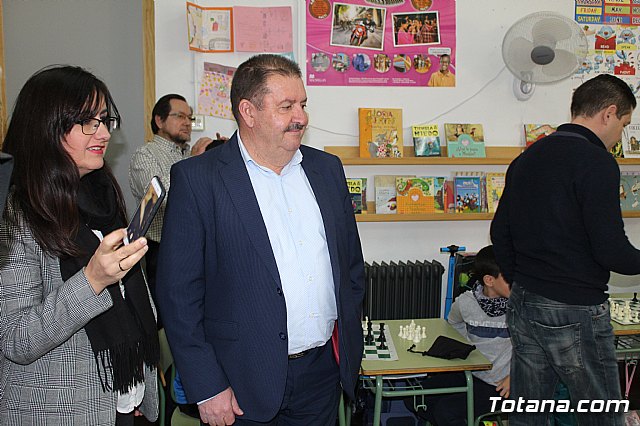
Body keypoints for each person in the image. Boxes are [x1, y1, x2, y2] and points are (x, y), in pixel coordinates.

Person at [156, 53, 365, 425]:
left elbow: (351, 267)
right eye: (286, 106)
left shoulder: (327, 170)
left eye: (302, 104)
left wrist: (347, 354)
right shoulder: (198, 179)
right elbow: (178, 296)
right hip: (238, 384)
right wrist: (206, 385)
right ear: (248, 112)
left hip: (321, 377)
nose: (301, 117)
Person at [0, 65, 158, 424]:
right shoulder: (16, 213)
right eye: (87, 121)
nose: (103, 132)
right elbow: (16, 340)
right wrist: (92, 281)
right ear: (47, 127)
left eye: (104, 120)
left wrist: (136, 384)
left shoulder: (101, 196)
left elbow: (133, 301)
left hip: (122, 404)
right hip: (59, 411)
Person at [491, 74, 640, 426]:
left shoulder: (529, 156)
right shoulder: (598, 162)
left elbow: (500, 231)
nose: (620, 136)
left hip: (525, 301)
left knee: (528, 414)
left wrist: (518, 280)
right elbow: (611, 251)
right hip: (575, 307)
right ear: (608, 113)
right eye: (623, 125)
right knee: (601, 415)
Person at [128, 94, 223, 321]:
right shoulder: (145, 154)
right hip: (162, 252)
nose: (187, 123)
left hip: (200, 248)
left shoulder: (192, 155)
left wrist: (222, 156)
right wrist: (194, 163)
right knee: (169, 318)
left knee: (200, 314)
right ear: (159, 120)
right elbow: (161, 198)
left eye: (190, 117)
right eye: (179, 116)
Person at [406, 245, 511, 426]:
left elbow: (535, 349)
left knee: (446, 411)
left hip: (503, 385)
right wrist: (466, 348)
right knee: (414, 396)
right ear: (489, 280)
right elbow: (453, 324)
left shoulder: (521, 307)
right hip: (472, 374)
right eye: (510, 276)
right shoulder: (466, 302)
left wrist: (514, 377)